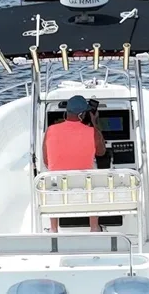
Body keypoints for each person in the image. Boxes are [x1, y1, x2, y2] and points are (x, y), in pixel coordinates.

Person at [42, 95, 107, 232]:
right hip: (84, 190)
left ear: (67, 112)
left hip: (58, 191)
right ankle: (94, 227)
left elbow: (46, 161)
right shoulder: (92, 132)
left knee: (53, 181)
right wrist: (95, 123)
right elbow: (101, 152)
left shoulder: (50, 130)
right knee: (93, 180)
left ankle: (53, 229)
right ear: (82, 114)